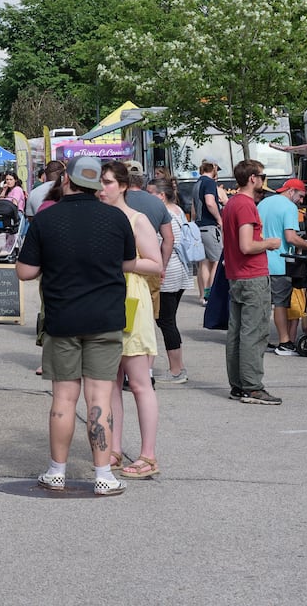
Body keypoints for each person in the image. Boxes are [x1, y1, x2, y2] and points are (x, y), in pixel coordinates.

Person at [14, 155, 136, 495]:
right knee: (100, 398)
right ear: (98, 183)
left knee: (64, 399)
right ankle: (103, 475)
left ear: (66, 179)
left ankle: (56, 471)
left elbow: (25, 271)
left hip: (62, 318)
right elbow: (128, 262)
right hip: (105, 317)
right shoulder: (116, 218)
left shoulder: (47, 219)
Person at [100, 161, 164, 482]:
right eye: (100, 183)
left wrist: (125, 262)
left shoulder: (138, 220)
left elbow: (157, 264)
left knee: (139, 383)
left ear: (123, 185)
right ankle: (113, 448)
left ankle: (148, 455)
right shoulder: (100, 218)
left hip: (132, 303)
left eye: (109, 183)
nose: (102, 188)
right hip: (107, 303)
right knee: (109, 383)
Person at [223, 159, 283, 405]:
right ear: (253, 178)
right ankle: (252, 387)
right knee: (254, 333)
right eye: (262, 175)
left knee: (237, 332)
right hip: (252, 275)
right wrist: (270, 243)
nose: (263, 180)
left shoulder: (231, 204)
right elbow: (247, 245)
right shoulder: (246, 205)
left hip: (237, 276)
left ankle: (238, 385)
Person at [258, 177, 307, 356]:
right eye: (300, 196)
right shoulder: (289, 207)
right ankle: (284, 342)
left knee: (263, 304)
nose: (301, 202)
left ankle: (261, 340)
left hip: (260, 262)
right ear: (291, 191)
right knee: (280, 304)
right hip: (279, 263)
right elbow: (291, 238)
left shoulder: (263, 203)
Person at [147, 175, 193, 385]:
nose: (148, 198)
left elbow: (168, 241)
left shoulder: (166, 213)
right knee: (167, 320)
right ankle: (177, 367)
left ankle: (177, 369)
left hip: (170, 270)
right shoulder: (178, 211)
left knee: (165, 321)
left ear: (162, 196)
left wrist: (161, 267)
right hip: (179, 269)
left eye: (151, 194)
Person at [124, 162, 172, 319]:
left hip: (124, 266)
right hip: (150, 265)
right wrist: (162, 266)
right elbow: (169, 239)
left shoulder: (117, 201)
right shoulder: (157, 203)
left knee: (125, 319)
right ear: (142, 179)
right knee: (147, 318)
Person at [194, 160, 224, 302]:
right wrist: (219, 219)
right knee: (217, 261)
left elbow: (194, 208)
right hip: (210, 227)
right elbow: (210, 202)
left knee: (204, 262)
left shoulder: (197, 183)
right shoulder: (210, 183)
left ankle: (202, 296)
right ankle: (210, 296)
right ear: (213, 167)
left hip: (199, 226)